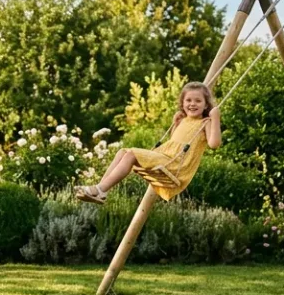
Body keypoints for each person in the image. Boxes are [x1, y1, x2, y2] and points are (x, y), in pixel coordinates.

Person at [73, 82, 222, 205]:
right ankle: (101, 190)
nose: (192, 104)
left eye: (198, 101)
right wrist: (175, 124)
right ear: (182, 103)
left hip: (175, 164)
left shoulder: (205, 122)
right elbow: (174, 141)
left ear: (205, 104)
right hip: (165, 157)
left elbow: (214, 143)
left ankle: (100, 189)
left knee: (131, 155)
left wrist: (215, 118)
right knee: (122, 152)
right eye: (188, 100)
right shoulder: (183, 119)